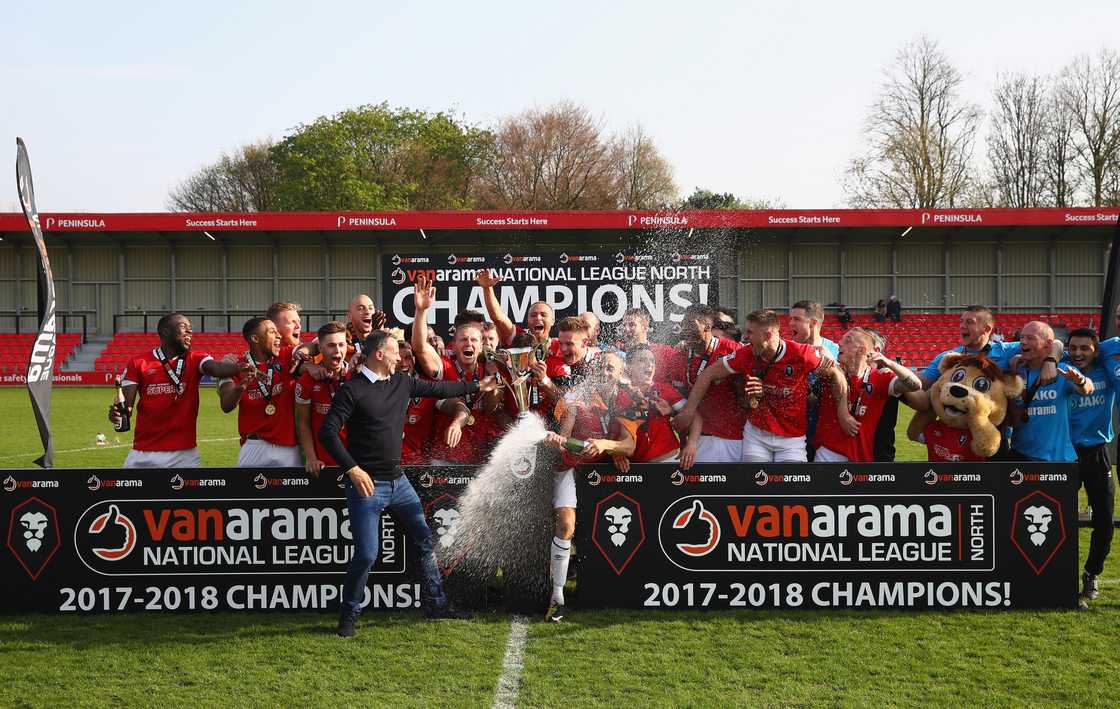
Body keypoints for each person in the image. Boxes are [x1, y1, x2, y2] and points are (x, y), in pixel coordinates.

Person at [320, 329, 499, 635]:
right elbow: (328, 432)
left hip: (399, 482)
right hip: (367, 486)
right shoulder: (353, 390)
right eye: (394, 353)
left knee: (426, 542)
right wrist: (352, 469)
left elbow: (440, 389)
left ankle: (437, 605)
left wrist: (476, 385)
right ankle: (347, 619)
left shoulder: (401, 382)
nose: (401, 360)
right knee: (366, 554)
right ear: (379, 354)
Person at [678, 309, 851, 463]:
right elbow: (708, 373)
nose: (745, 337)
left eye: (750, 333)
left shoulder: (801, 354)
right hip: (757, 435)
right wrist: (688, 410)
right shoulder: (745, 354)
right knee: (756, 488)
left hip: (792, 439)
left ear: (767, 335)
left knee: (791, 493)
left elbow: (837, 374)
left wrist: (843, 412)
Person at [541, 345, 630, 623]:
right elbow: (564, 436)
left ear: (621, 374)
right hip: (571, 466)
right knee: (566, 525)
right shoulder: (578, 397)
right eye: (601, 366)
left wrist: (612, 449)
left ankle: (608, 591)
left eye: (610, 368)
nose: (604, 371)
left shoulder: (628, 399)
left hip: (602, 471)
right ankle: (557, 596)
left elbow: (629, 444)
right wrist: (559, 440)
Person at [111, 313, 250, 467]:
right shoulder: (138, 363)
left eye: (190, 329)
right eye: (184, 327)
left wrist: (240, 368)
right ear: (165, 331)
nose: (189, 332)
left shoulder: (196, 358)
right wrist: (117, 414)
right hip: (143, 454)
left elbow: (215, 368)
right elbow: (126, 407)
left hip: (184, 456)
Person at [411, 276, 502, 465]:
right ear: (454, 344)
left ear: (481, 345)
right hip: (445, 458)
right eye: (463, 340)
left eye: (474, 340)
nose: (468, 343)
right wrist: (421, 311)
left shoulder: (489, 367)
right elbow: (419, 347)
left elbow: (490, 407)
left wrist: (494, 383)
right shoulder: (445, 365)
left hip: (480, 459)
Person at [811, 328, 921, 462]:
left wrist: (890, 363)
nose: (839, 343)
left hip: (863, 459)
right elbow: (810, 399)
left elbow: (915, 385)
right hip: (827, 454)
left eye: (847, 341)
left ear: (862, 350)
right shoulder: (830, 373)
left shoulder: (881, 377)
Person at [1065, 327, 1117, 605]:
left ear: (1096, 350)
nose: (1078, 353)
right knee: (1059, 521)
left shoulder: (1108, 367)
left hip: (1097, 454)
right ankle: (1057, 575)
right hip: (1065, 455)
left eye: (1085, 348)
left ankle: (1091, 573)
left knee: (1105, 520)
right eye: (1073, 347)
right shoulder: (1061, 366)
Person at [663, 304, 745, 462]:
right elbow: (674, 397)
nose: (685, 330)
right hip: (697, 438)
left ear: (707, 326)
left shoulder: (732, 351)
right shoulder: (678, 358)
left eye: (690, 325)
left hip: (731, 436)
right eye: (683, 325)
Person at [219, 317, 304, 468]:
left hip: (288, 447)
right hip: (253, 446)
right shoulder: (236, 366)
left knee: (293, 492)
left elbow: (315, 344)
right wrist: (242, 385)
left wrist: (305, 351)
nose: (279, 335)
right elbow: (226, 405)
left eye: (278, 331)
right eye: (272, 332)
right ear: (255, 338)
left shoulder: (286, 356)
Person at [1006, 321, 1092, 462]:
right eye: (1021, 337)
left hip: (1058, 459)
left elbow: (1087, 388)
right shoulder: (1016, 371)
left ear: (1048, 343)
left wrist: (1080, 381)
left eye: (1030, 338)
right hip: (1020, 456)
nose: (1023, 342)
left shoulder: (1063, 370)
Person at [920, 306, 1057, 389]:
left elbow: (1055, 343)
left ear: (986, 329)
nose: (962, 326)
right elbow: (921, 384)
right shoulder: (948, 357)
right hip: (957, 430)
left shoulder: (1007, 350)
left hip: (995, 434)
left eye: (969, 322)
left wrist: (1050, 361)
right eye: (961, 321)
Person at [613, 345, 702, 469]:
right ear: (628, 367)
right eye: (642, 360)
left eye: (652, 361)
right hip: (635, 467)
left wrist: (691, 444)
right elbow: (611, 431)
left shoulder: (664, 389)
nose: (649, 364)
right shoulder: (619, 394)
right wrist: (617, 453)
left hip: (669, 461)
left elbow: (695, 416)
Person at [295, 321, 351, 474]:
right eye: (331, 345)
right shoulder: (307, 380)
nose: (337, 351)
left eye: (341, 344)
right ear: (320, 348)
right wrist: (311, 458)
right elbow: (303, 422)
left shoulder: (356, 376)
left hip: (355, 461)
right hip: (323, 464)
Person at [789, 299, 839, 460]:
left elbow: (847, 388)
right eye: (791, 319)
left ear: (813, 323)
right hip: (790, 433)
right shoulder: (787, 350)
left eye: (797, 319)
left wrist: (833, 365)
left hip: (825, 435)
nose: (790, 324)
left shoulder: (835, 351)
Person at [476, 269, 560, 355]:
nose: (538, 318)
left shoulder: (561, 345)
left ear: (552, 320)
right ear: (528, 320)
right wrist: (487, 288)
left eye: (543, 315)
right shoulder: (518, 337)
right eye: (533, 315)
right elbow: (498, 318)